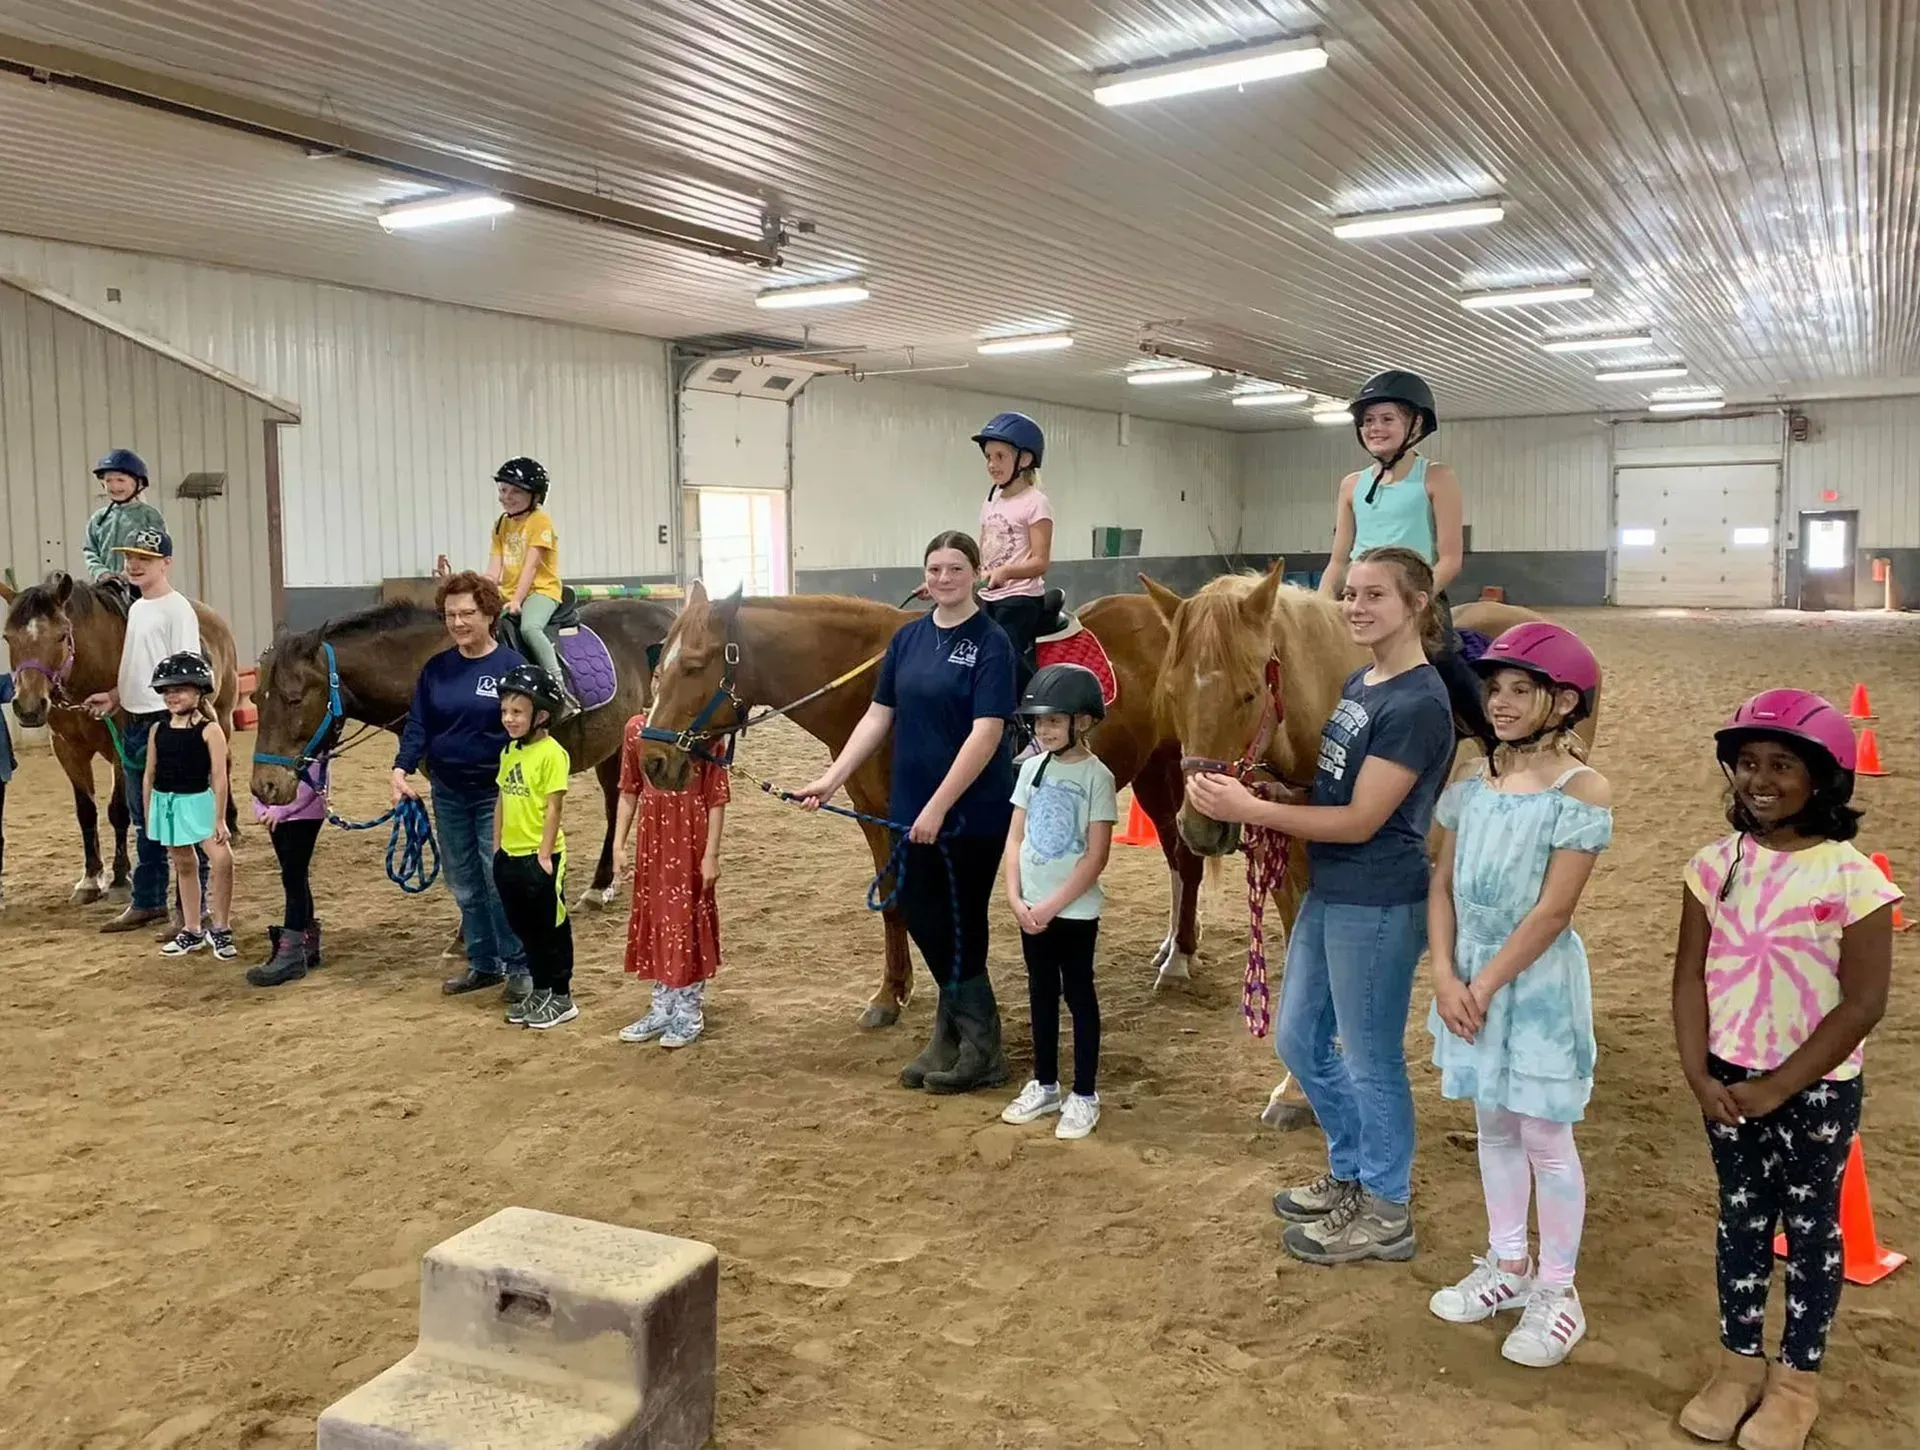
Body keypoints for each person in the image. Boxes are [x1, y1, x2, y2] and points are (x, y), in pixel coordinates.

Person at [1187, 545, 1457, 1266]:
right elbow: (1333, 798)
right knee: (1300, 1041)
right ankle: (1350, 1174)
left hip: (1377, 898)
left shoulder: (1418, 703)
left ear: (1417, 606)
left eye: (1377, 596)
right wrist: (1280, 795)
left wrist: (1256, 811)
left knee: (1372, 1061)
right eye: (1353, 593)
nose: (1356, 607)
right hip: (1332, 888)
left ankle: (1387, 1206)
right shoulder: (1362, 684)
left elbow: (1363, 821)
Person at [1672, 689, 1899, 1450]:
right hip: (1727, 1085)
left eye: (1781, 765)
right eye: (1746, 764)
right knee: (1740, 1221)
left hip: (1813, 1092)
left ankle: (1796, 1380)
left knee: (1809, 1229)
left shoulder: (1853, 879)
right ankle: (1738, 1363)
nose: (1759, 779)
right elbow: (1688, 979)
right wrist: (1701, 1077)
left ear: (1826, 777)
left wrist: (1778, 1085)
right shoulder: (1713, 866)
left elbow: (1862, 1004)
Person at [1425, 622, 1613, 1369]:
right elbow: (1439, 883)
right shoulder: (1472, 785)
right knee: (1493, 1124)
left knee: (1545, 1137)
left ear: (1563, 701)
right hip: (1465, 974)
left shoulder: (1582, 790)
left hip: (1529, 982)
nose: (1499, 703)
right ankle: (1506, 1265)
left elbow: (1553, 911)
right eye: (1493, 689)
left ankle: (1558, 1291)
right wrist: (1444, 973)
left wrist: (1485, 981)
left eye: (1518, 690)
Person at [796, 530, 1018, 1094]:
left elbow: (987, 732)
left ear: (975, 572)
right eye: (935, 569)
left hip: (971, 807)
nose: (944, 579)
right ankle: (952, 1036)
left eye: (955, 569)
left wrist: (940, 805)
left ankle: (983, 1046)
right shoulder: (908, 640)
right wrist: (831, 778)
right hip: (912, 803)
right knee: (918, 909)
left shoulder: (990, 643)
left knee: (960, 921)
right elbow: (876, 716)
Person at [1317, 371, 1495, 758]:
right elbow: (1338, 558)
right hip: (1359, 598)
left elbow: (1450, 558)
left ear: (1414, 425)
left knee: (1445, 657)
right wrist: (1317, 606)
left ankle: (1495, 735)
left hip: (1419, 600)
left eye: (1386, 419)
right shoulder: (1351, 484)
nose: (1374, 428)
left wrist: (1413, 600)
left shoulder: (1436, 477)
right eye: (1367, 421)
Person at [391, 570, 531, 1001]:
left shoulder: (510, 667)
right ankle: (483, 962)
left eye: (467, 613)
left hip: (497, 794)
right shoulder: (436, 670)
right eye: (450, 615)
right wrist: (401, 768)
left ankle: (519, 964)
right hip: (449, 792)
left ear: (489, 613)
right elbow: (419, 724)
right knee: (463, 881)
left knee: (496, 879)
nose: (457, 623)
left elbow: (529, 729)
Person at [1000, 664, 1115, 1140]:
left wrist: (1051, 906)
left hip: (1073, 911)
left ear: (1082, 722)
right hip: (1031, 909)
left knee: (1078, 995)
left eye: (1054, 721)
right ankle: (1045, 1083)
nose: (1044, 730)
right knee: (1039, 993)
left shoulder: (1097, 777)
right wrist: (1014, 896)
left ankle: (1084, 1093)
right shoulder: (1030, 768)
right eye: (1039, 722)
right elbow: (1015, 839)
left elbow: (1096, 856)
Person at [81, 527, 211, 935]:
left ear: (165, 563)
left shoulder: (178, 610)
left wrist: (180, 724)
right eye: (130, 558)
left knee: (182, 819)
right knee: (146, 820)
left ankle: (194, 908)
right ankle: (149, 900)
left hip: (166, 723)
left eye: (145, 559)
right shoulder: (137, 609)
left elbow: (188, 670)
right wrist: (116, 696)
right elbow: (140, 665)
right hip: (136, 722)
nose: (134, 565)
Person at [613, 706, 729, 1049]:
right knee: (657, 917)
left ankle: (689, 1011)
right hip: (654, 838)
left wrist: (711, 854)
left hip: (689, 836)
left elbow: (716, 797)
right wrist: (618, 845)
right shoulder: (635, 730)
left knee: (686, 919)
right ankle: (663, 1007)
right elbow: (629, 788)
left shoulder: (706, 735)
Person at [491, 665, 577, 1030]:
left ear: (540, 716)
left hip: (539, 857)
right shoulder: (509, 751)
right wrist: (497, 846)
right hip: (509, 855)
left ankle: (561, 995)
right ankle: (540, 988)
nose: (508, 719)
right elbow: (501, 798)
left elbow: (554, 806)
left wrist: (543, 854)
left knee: (550, 929)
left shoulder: (552, 754)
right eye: (505, 712)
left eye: (517, 712)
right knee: (524, 928)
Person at [143, 651, 236, 959]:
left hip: (199, 803)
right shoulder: (158, 730)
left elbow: (220, 778)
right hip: (167, 804)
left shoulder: (210, 730)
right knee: (184, 864)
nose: (172, 696)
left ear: (198, 691)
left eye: (179, 689)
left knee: (222, 860)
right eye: (167, 691)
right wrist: (148, 812)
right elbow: (150, 774)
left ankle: (221, 928)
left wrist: (220, 818)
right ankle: (192, 929)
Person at [970, 412, 1054, 693]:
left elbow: (1041, 561)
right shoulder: (991, 499)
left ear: (1025, 459)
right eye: (988, 457)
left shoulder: (1035, 502)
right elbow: (982, 554)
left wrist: (1006, 572)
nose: (992, 465)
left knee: (1002, 651)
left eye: (1000, 456)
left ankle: (1032, 705)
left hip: (1020, 598)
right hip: (987, 594)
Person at [485, 457, 573, 716]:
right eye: (503, 490)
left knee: (530, 628)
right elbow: (494, 569)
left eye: (515, 491)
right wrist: (480, 590)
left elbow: (531, 567)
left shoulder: (540, 521)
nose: (506, 497)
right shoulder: (502, 523)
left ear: (534, 496)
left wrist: (516, 600)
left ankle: (559, 688)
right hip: (509, 591)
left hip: (540, 591)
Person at [244, 750, 328, 988]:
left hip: (303, 816)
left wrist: (281, 811)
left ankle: (291, 952)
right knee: (294, 876)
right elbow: (261, 769)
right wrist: (260, 805)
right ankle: (306, 940)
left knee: (293, 876)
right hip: (275, 816)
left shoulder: (313, 736)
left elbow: (316, 781)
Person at [82, 449, 170, 597]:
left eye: (120, 480)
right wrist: (101, 572)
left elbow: (155, 551)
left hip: (138, 585)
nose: (114, 486)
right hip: (104, 585)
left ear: (138, 483)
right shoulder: (98, 518)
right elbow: (90, 550)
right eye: (108, 481)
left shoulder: (149, 515)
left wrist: (128, 572)